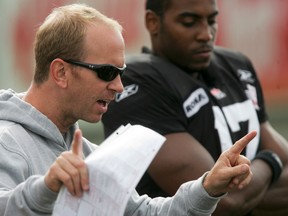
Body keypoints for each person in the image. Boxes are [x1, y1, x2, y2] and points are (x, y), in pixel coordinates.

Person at [0, 3, 257, 216]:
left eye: (121, 73)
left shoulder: (88, 153)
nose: (119, 86)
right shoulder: (6, 140)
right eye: (107, 72)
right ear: (61, 72)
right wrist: (46, 188)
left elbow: (145, 213)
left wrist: (208, 187)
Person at [102, 0, 288, 215]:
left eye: (212, 21)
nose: (206, 34)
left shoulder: (235, 65)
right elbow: (220, 201)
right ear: (153, 22)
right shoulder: (137, 82)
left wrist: (247, 192)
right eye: (190, 22)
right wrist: (269, 161)